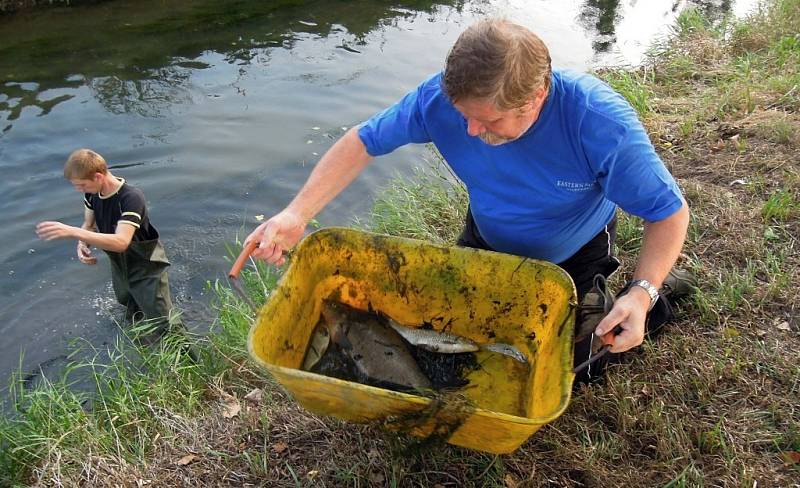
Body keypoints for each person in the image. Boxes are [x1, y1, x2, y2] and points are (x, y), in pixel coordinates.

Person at [244, 19, 691, 381]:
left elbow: (668, 212)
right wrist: (296, 213)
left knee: (577, 367)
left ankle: (658, 297)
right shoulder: (437, 101)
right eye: (464, 117)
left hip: (574, 253)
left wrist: (642, 291)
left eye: (488, 121)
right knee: (447, 346)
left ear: (536, 97)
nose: (472, 133)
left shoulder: (599, 124)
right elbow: (362, 141)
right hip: (487, 238)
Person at [36, 149, 179, 338]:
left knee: (165, 322)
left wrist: (71, 231)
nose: (79, 189)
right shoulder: (92, 194)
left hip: (146, 266)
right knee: (130, 309)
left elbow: (121, 242)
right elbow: (88, 224)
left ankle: (193, 365)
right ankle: (148, 356)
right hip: (119, 265)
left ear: (98, 176)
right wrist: (82, 243)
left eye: (81, 185)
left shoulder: (130, 198)